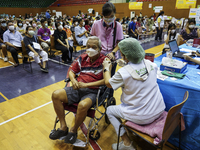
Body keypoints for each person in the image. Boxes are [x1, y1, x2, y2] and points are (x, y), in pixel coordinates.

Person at [103, 38, 166, 150]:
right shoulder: (151, 64)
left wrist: (106, 68)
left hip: (142, 116)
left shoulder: (123, 73)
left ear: (125, 56)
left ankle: (126, 143)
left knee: (109, 111)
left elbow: (108, 83)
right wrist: (127, 65)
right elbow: (139, 73)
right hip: (159, 108)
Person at [49, 36, 107, 144]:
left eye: (93, 47)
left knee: (82, 105)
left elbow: (105, 81)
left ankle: (73, 130)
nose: (90, 49)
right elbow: (72, 71)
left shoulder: (105, 61)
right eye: (88, 46)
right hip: (77, 87)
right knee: (55, 94)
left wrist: (86, 85)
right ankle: (63, 127)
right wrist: (73, 80)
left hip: (93, 91)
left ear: (99, 48)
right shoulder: (82, 57)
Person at [90, 2, 124, 100]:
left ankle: (109, 98)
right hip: (99, 58)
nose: (109, 19)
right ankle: (100, 98)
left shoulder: (118, 26)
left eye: (112, 16)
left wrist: (113, 52)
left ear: (115, 14)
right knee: (100, 79)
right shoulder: (96, 24)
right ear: (102, 15)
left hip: (112, 58)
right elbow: (92, 39)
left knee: (111, 81)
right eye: (107, 17)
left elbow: (120, 43)